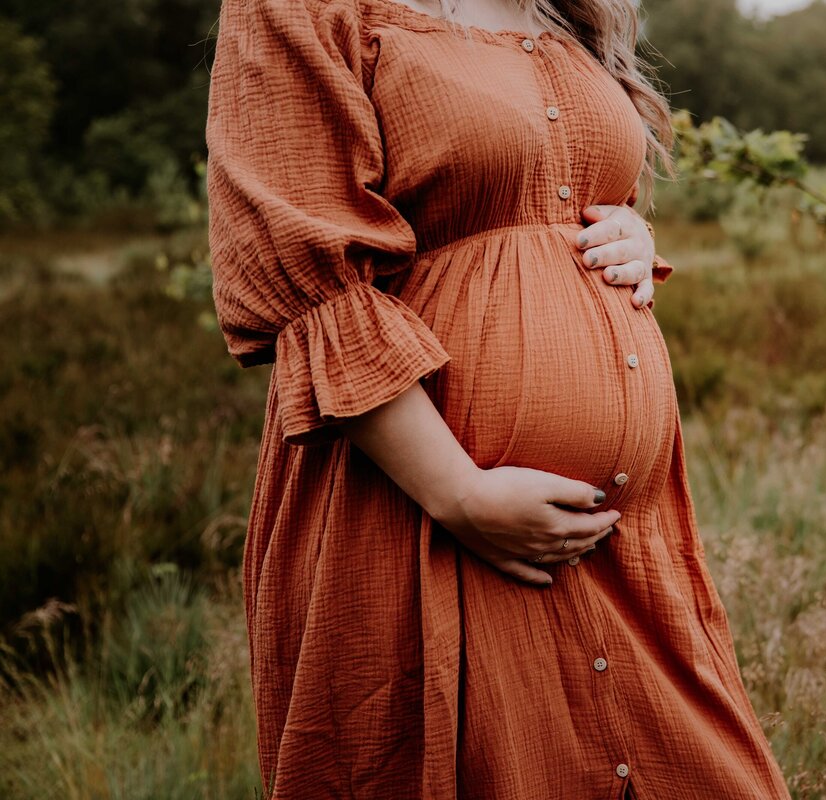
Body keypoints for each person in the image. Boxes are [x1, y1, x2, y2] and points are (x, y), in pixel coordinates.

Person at [204, 0, 792, 797]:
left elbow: (542, 200)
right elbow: (302, 276)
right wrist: (460, 493)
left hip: (626, 549)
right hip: (425, 516)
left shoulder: (553, 3)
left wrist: (627, 231)